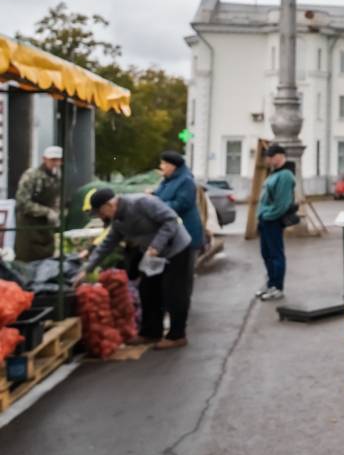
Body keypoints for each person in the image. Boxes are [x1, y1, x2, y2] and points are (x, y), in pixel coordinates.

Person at [76, 189, 193, 349]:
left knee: (174, 293)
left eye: (101, 212)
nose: (101, 217)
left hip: (176, 249)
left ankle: (177, 336)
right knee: (148, 291)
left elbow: (171, 220)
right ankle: (150, 332)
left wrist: (156, 246)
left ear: (109, 205)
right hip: (152, 256)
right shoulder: (117, 221)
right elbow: (107, 244)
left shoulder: (142, 203)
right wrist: (88, 269)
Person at [153, 150, 204, 288]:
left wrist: (157, 206)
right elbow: (160, 196)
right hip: (173, 234)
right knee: (174, 275)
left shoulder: (186, 181)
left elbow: (181, 204)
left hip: (187, 233)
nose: (161, 166)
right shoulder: (167, 181)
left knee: (185, 274)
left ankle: (182, 305)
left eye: (164, 163)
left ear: (172, 166)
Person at [255, 143, 295, 301]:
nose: (269, 159)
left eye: (271, 156)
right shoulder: (275, 173)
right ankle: (271, 282)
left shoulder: (285, 175)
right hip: (266, 219)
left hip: (273, 220)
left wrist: (268, 215)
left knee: (275, 254)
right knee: (266, 253)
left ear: (279, 156)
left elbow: (282, 203)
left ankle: (277, 287)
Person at [14, 146, 64, 262]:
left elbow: (57, 198)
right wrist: (46, 211)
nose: (55, 163)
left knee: (47, 260)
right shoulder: (31, 175)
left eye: (58, 160)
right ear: (44, 159)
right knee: (26, 258)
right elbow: (22, 202)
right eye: (52, 160)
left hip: (46, 226)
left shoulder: (58, 176)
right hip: (29, 225)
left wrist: (56, 213)